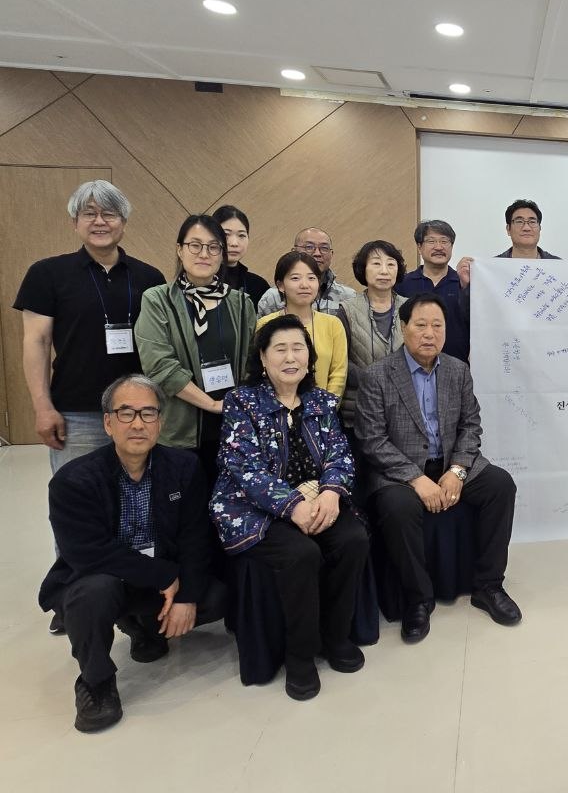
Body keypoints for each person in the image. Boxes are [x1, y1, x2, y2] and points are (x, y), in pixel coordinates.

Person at [39, 375, 226, 732]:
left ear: (160, 422)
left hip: (155, 582)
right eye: (126, 413)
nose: (138, 423)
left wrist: (185, 596)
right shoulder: (74, 480)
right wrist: (165, 575)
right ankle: (96, 683)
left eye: (148, 413)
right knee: (95, 592)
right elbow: (86, 553)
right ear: (108, 423)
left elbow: (195, 537)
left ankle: (146, 628)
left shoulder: (183, 467)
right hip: (102, 578)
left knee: (214, 597)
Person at [212, 315, 369, 700]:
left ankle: (336, 637)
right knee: (301, 554)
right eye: (280, 349)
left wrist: (331, 493)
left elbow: (340, 454)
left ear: (309, 357)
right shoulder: (241, 401)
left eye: (298, 348)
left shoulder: (321, 401)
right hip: (256, 507)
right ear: (263, 358)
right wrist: (292, 505)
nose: (290, 357)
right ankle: (300, 654)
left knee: (353, 540)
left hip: (317, 497)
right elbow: (243, 467)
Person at [356, 294, 521, 640]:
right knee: (398, 507)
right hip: (401, 471)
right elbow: (372, 440)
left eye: (437, 325)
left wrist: (458, 470)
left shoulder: (458, 370)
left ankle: (489, 585)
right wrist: (416, 479)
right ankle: (417, 599)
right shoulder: (377, 375)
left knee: (500, 485)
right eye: (420, 325)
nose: (429, 333)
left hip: (448, 462)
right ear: (403, 327)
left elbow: (471, 425)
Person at [14, 180, 165, 475]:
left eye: (109, 213)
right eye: (89, 213)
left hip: (138, 410)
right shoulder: (46, 274)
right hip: (77, 412)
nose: (99, 221)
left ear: (123, 222)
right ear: (75, 222)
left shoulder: (150, 277)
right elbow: (37, 342)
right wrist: (43, 408)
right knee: (80, 494)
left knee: (137, 493)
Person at [134, 215, 257, 488]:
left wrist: (237, 407)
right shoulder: (157, 300)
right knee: (184, 506)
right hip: (180, 431)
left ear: (222, 254)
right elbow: (159, 366)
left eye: (213, 247)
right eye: (195, 245)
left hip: (233, 428)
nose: (204, 254)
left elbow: (253, 362)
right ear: (180, 249)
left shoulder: (240, 303)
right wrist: (212, 404)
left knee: (231, 506)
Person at [337, 240, 408, 430]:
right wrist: (372, 381)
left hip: (403, 408)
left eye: (391, 264)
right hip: (358, 410)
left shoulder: (411, 308)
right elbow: (340, 360)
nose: (384, 271)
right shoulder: (347, 310)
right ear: (363, 269)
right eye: (376, 263)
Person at [257, 252, 348, 398]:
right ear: (280, 285)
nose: (304, 285)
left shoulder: (333, 324)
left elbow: (338, 375)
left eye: (311, 278)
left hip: (323, 407)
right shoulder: (265, 324)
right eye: (295, 278)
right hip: (275, 408)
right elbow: (258, 370)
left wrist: (325, 407)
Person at [396, 219, 472, 362]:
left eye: (444, 241)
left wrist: (466, 287)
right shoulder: (403, 284)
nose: (438, 247)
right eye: (431, 241)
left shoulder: (464, 283)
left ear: (452, 246)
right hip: (411, 365)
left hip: (457, 366)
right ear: (419, 247)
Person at [256, 227, 358, 316]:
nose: (317, 253)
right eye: (309, 247)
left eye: (324, 248)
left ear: (331, 254)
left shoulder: (348, 297)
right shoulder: (273, 297)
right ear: (294, 252)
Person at [212, 204, 269, 306]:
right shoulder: (199, 280)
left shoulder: (258, 285)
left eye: (241, 235)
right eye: (226, 234)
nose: (234, 243)